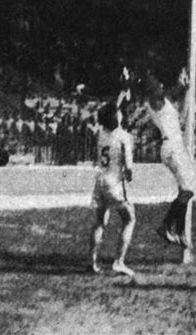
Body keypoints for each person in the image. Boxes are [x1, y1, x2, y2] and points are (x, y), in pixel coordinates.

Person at [132, 66, 196, 264]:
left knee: (188, 189)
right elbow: (165, 93)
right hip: (171, 147)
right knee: (187, 188)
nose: (160, 86)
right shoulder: (155, 101)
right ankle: (170, 227)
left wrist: (184, 89)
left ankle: (173, 228)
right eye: (156, 85)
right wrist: (179, 85)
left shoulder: (163, 102)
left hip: (175, 145)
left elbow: (181, 112)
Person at [90, 102, 136, 276]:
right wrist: (129, 176)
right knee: (129, 218)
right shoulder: (124, 137)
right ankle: (119, 261)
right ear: (115, 118)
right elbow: (129, 167)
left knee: (99, 221)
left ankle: (93, 261)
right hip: (113, 182)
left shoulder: (101, 134)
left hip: (100, 180)